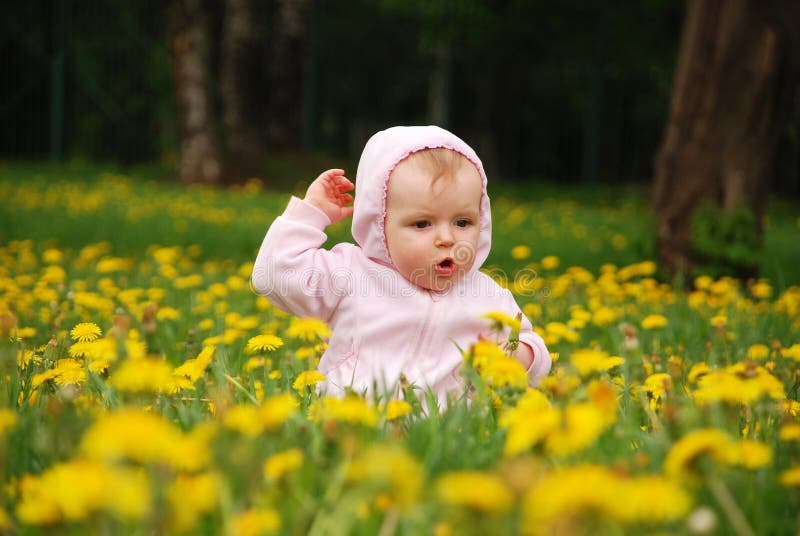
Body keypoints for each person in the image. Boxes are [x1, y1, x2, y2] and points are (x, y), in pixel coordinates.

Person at [252, 125, 550, 405]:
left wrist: (520, 356)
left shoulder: (488, 296)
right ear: (380, 224)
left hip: (447, 433)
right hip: (353, 425)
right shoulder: (351, 275)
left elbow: (529, 342)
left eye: (463, 222)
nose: (447, 238)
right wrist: (310, 214)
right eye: (422, 224)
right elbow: (274, 275)